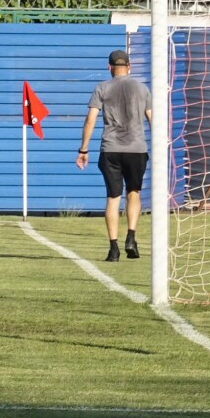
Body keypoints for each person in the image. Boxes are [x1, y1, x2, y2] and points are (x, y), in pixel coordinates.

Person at [76, 50, 152, 262]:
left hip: (110, 149)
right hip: (136, 149)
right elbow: (152, 119)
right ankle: (131, 236)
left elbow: (90, 119)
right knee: (134, 192)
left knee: (112, 197)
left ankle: (113, 249)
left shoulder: (102, 88)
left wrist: (83, 149)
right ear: (129, 66)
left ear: (109, 67)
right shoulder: (142, 88)